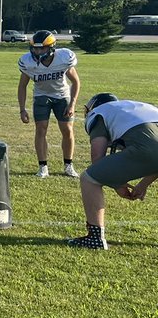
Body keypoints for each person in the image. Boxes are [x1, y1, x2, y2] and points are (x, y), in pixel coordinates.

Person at [67, 93, 158, 250]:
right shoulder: (138, 107)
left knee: (89, 179)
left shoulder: (100, 113)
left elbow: (97, 157)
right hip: (149, 144)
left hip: (147, 149)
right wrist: (143, 184)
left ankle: (95, 237)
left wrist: (117, 184)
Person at [17, 30, 80, 178]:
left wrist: (72, 104)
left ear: (51, 47)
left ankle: (68, 165)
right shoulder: (28, 62)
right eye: (35, 48)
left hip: (62, 96)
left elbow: (75, 81)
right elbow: (22, 86)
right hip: (41, 97)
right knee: (41, 129)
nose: (38, 51)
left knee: (67, 130)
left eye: (42, 48)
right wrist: (22, 109)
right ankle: (43, 166)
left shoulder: (64, 58)